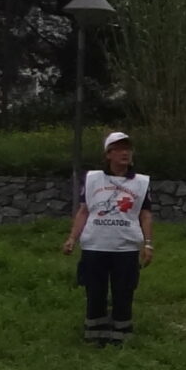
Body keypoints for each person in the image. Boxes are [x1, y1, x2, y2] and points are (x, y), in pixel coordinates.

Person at [61, 131, 154, 346]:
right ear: (108, 154)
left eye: (128, 149)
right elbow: (84, 211)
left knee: (124, 292)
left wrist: (148, 244)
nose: (125, 153)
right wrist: (72, 238)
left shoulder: (141, 182)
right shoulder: (93, 179)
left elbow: (145, 215)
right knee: (95, 291)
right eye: (119, 149)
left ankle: (121, 336)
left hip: (126, 247)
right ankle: (95, 334)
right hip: (95, 245)